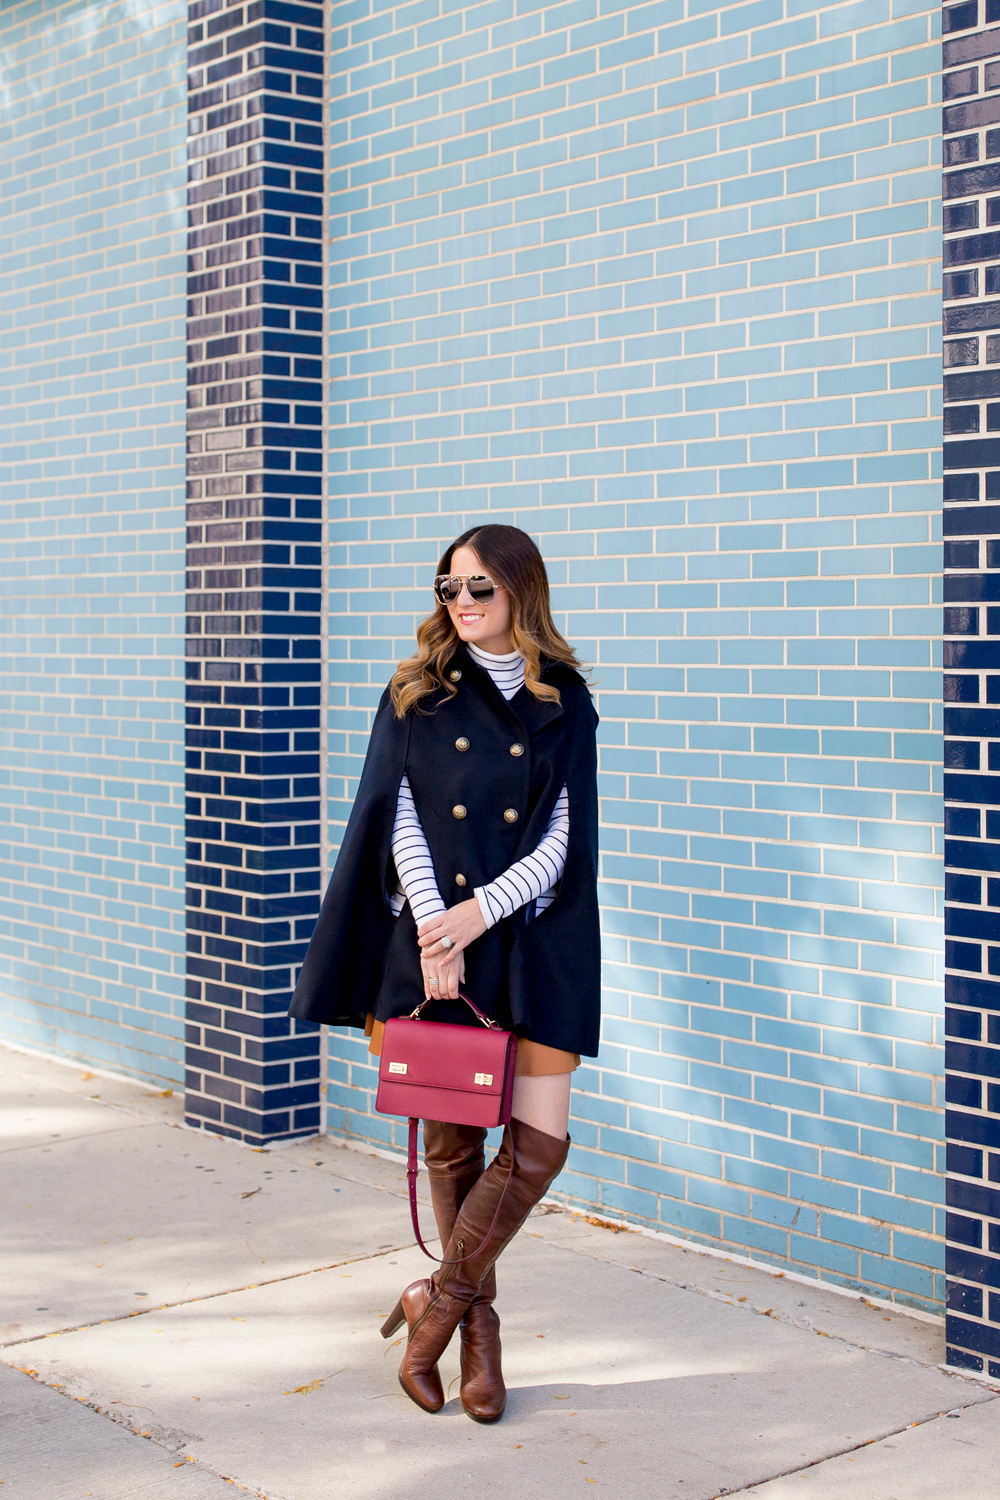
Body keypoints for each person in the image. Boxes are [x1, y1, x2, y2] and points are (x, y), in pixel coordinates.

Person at [289, 523, 601, 1423]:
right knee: (456, 1147)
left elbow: (563, 838)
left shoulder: (565, 699)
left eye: (480, 590)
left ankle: (438, 1305)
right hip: (433, 953)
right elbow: (398, 821)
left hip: (526, 941)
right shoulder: (416, 692)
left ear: (521, 596)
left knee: (537, 1147)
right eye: (448, 588)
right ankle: (477, 1337)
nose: (461, 604)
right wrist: (437, 927)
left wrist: (479, 913)